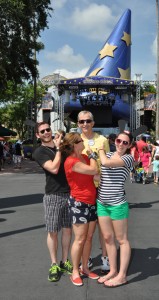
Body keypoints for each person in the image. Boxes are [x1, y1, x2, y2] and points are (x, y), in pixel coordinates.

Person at [32, 122, 72, 282]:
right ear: (38, 135)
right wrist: (57, 149)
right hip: (53, 195)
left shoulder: (61, 148)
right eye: (43, 131)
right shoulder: (39, 152)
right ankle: (54, 263)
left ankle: (64, 261)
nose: (47, 132)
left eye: (48, 129)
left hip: (69, 193)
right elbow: (54, 169)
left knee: (68, 230)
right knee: (53, 231)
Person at [60, 132, 99, 286]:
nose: (84, 142)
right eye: (81, 140)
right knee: (80, 238)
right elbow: (93, 171)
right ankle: (75, 271)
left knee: (89, 237)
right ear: (75, 144)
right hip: (79, 203)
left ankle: (85, 268)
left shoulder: (84, 158)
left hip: (91, 201)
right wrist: (93, 156)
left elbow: (95, 176)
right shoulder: (71, 161)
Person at [96, 131, 134, 287]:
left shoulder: (128, 158)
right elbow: (101, 174)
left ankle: (122, 275)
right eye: (119, 140)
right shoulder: (109, 155)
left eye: (125, 142)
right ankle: (113, 270)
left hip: (117, 204)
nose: (121, 144)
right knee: (107, 239)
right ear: (115, 141)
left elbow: (106, 163)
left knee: (122, 240)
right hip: (102, 203)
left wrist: (99, 149)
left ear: (129, 145)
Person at [77, 110, 110, 273]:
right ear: (78, 124)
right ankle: (86, 257)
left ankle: (105, 258)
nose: (85, 124)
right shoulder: (75, 141)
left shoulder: (102, 140)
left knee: (104, 229)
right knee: (86, 231)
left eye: (88, 121)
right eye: (82, 121)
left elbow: (107, 163)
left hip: (102, 188)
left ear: (93, 123)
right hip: (83, 191)